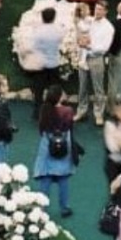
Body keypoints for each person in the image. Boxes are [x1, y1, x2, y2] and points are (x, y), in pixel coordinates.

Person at [33, 83, 78, 217]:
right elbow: (70, 126)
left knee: (45, 177)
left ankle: (41, 209)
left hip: (47, 145)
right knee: (63, 178)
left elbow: (41, 128)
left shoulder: (44, 109)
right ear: (59, 97)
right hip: (64, 145)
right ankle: (64, 208)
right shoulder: (68, 111)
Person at [26, 4, 67, 119]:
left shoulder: (38, 31)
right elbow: (61, 40)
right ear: (53, 18)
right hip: (54, 64)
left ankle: (37, 113)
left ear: (42, 18)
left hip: (40, 65)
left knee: (38, 90)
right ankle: (54, 111)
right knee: (54, 89)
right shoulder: (57, 31)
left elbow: (33, 46)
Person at [77, 0, 114, 126]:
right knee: (82, 87)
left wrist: (89, 48)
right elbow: (81, 31)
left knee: (98, 88)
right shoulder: (89, 21)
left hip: (97, 59)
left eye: (100, 9)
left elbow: (105, 48)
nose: (97, 11)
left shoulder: (108, 27)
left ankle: (99, 114)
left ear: (106, 11)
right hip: (84, 58)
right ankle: (81, 111)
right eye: (96, 9)